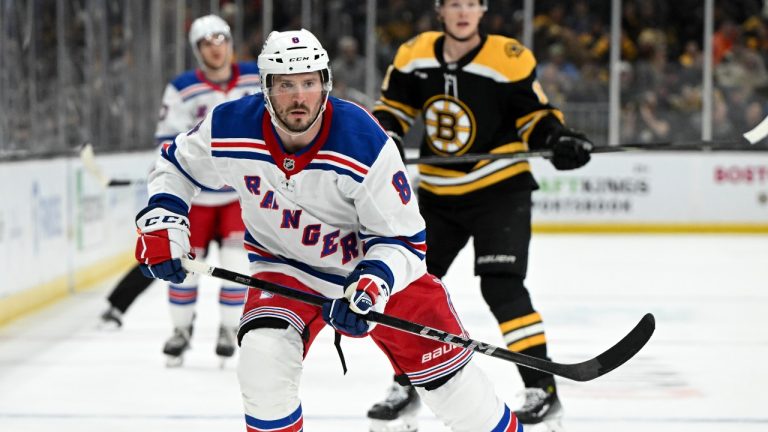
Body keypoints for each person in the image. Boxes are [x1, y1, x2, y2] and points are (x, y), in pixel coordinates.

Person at [134, 28, 523, 432]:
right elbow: (175, 165)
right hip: (287, 271)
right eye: (286, 85)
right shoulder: (231, 126)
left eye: (309, 82)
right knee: (262, 367)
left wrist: (373, 285)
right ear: (265, 88)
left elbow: (405, 240)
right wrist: (165, 217)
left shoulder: (362, 140)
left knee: (462, 402)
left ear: (325, 83)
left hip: (377, 276)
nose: (300, 97)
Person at [368, 0, 593, 430]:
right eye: (454, 3)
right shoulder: (413, 54)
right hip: (437, 194)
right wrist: (389, 137)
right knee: (407, 287)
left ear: (483, 9)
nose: (463, 11)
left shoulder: (508, 57)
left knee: (502, 288)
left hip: (501, 189)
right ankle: (406, 383)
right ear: (440, 10)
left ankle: (541, 391)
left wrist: (557, 138)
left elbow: (534, 116)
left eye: (471, 2)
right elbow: (392, 111)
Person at [102, 14, 260, 367]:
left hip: (239, 195)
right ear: (196, 50)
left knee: (237, 265)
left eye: (220, 39)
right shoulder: (182, 88)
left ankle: (227, 328)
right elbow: (166, 143)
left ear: (230, 42)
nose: (215, 48)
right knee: (182, 266)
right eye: (206, 42)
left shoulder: (256, 77)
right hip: (196, 197)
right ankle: (181, 330)